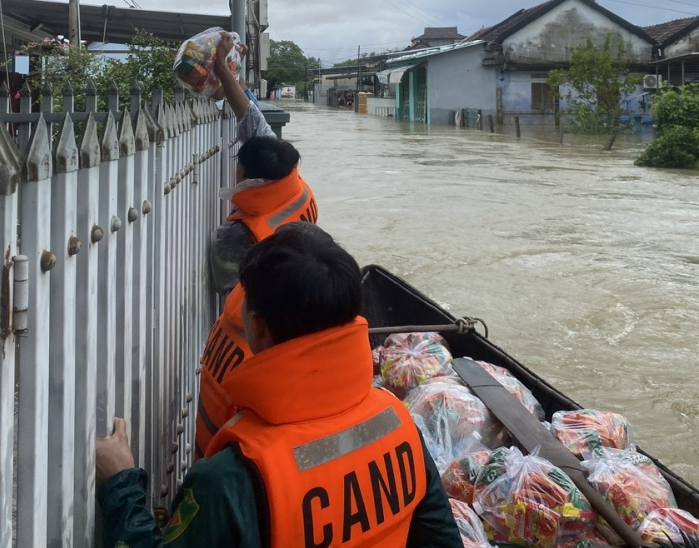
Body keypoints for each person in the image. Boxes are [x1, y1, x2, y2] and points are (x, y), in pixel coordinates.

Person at [96, 223, 465, 548]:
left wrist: (121, 485)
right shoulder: (397, 423)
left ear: (256, 327)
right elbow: (442, 538)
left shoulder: (230, 478)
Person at [197, 31, 319, 458]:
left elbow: (231, 308)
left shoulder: (236, 237)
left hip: (267, 352)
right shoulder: (291, 182)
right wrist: (222, 68)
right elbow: (250, 116)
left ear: (249, 182)